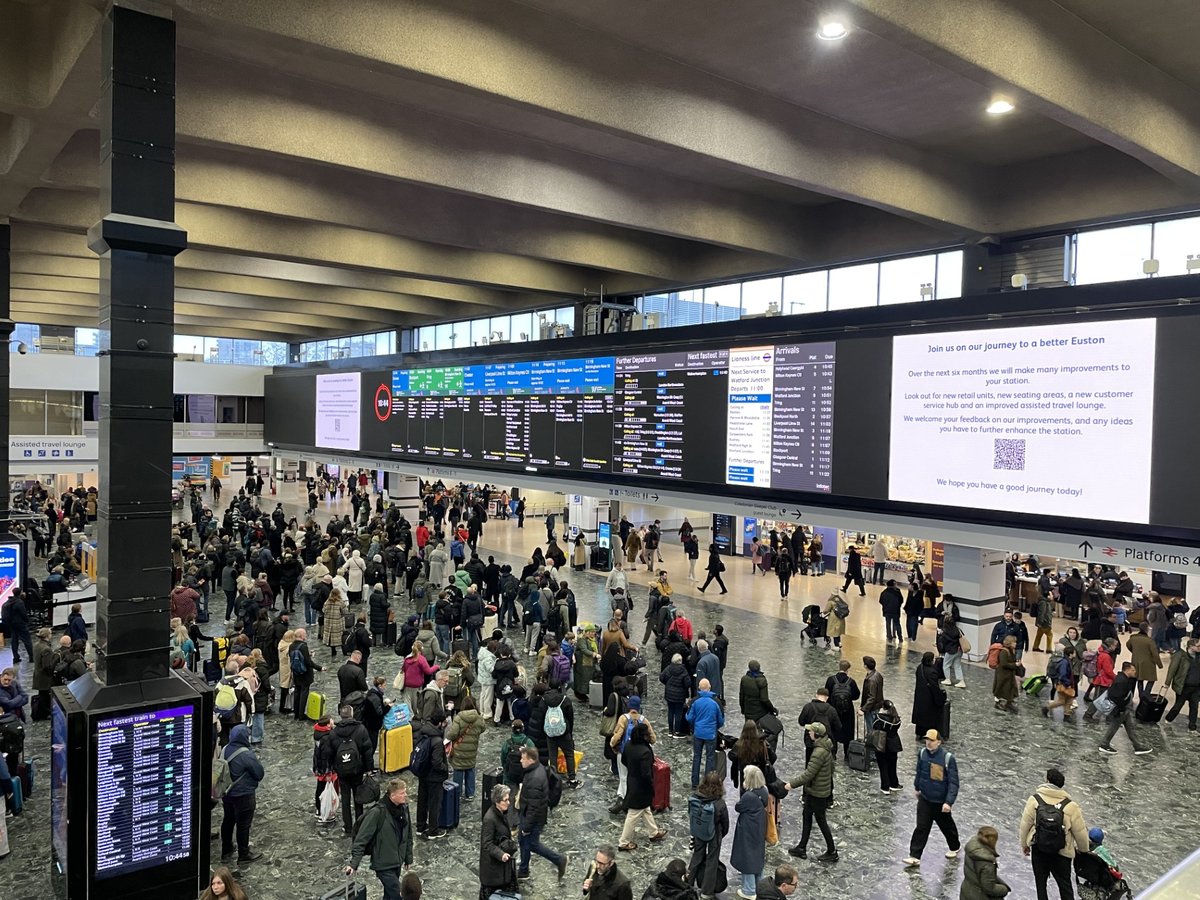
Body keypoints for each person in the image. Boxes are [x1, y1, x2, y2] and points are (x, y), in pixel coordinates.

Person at [346, 778, 414, 900]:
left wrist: (408, 857)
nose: (406, 795)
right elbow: (362, 839)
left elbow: (408, 834)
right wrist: (354, 864)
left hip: (397, 861)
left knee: (389, 895)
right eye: (402, 793)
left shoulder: (404, 808)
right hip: (383, 863)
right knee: (396, 892)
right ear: (392, 795)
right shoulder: (377, 813)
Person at [903, 729, 960, 868]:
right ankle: (914, 856)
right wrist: (917, 787)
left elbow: (953, 782)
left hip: (940, 801)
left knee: (947, 826)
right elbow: (919, 772)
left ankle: (955, 846)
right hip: (925, 798)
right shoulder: (922, 754)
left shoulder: (947, 758)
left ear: (939, 742)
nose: (929, 742)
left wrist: (948, 802)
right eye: (927, 739)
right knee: (921, 827)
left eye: (932, 740)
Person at [782, 721, 837, 862]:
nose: (808, 733)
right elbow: (831, 769)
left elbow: (808, 774)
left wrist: (791, 785)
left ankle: (832, 851)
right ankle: (802, 847)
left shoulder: (818, 752)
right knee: (807, 816)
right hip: (818, 790)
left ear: (816, 734)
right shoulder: (826, 747)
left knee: (821, 820)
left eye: (811, 731)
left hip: (816, 792)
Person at [515, 745, 569, 881]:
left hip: (533, 818)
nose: (521, 761)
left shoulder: (534, 779)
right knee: (523, 841)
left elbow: (534, 807)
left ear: (531, 760)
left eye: (523, 758)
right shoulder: (535, 770)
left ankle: (558, 859)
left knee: (531, 843)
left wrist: (526, 827)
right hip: (530, 814)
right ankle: (523, 869)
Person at [219, 724, 265, 865]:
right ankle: (243, 854)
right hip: (244, 794)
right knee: (243, 825)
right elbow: (259, 773)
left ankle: (226, 849)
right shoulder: (246, 754)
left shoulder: (225, 748)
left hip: (227, 792)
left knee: (228, 820)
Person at [617, 723, 666, 850]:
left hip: (632, 781)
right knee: (634, 813)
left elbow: (624, 761)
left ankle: (653, 832)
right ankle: (623, 842)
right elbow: (646, 774)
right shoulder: (645, 751)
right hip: (641, 787)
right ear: (644, 736)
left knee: (645, 809)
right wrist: (651, 784)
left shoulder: (628, 745)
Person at [1095, 662, 1153, 755]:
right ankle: (1104, 744)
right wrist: (1121, 709)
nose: (1135, 672)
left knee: (1130, 727)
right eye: (1133, 670)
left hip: (1124, 709)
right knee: (1115, 725)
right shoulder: (1122, 681)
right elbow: (1117, 696)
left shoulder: (1122, 679)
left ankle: (1137, 746)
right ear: (1127, 670)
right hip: (1121, 709)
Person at [732, 765, 769, 898]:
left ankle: (749, 889)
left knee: (747, 856)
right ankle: (759, 885)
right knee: (757, 855)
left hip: (748, 829)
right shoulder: (764, 790)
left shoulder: (749, 796)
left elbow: (738, 807)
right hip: (759, 826)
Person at [413, 711, 450, 839]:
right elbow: (437, 762)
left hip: (422, 773)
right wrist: (446, 769)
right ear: (439, 723)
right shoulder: (437, 741)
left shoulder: (422, 733)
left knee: (422, 801)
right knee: (434, 803)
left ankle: (420, 826)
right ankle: (433, 830)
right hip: (434, 777)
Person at [479, 783, 520, 900]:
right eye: (505, 800)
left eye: (508, 799)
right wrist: (500, 854)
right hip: (493, 870)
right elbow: (486, 843)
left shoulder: (501, 813)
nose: (508, 802)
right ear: (497, 801)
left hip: (501, 868)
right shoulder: (490, 819)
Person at [686, 677, 725, 789]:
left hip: (698, 733)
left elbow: (689, 718)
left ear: (699, 688)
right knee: (710, 758)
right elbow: (721, 721)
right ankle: (708, 783)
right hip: (710, 734)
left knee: (697, 757)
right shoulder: (716, 702)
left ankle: (694, 783)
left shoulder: (695, 701)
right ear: (710, 688)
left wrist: (695, 724)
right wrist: (714, 727)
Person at [961, 826, 1010, 900]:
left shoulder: (972, 849)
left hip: (967, 891)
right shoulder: (987, 863)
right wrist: (1004, 889)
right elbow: (989, 889)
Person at [1164, 637, 1200, 731]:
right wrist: (1167, 683)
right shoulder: (1180, 656)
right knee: (1178, 705)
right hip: (1183, 686)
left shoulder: (1198, 656)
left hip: (1196, 687)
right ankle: (1169, 718)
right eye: (1198, 646)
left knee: (1194, 706)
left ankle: (1192, 726)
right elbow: (1172, 669)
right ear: (1191, 647)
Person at [289, 628, 324, 721]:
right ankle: (301, 715)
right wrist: (319, 667)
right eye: (305, 634)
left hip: (296, 672)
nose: (306, 635)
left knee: (297, 691)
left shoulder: (291, 646)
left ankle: (296, 713)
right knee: (304, 693)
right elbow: (308, 662)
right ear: (301, 636)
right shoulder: (303, 646)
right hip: (305, 673)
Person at [912, 651, 947, 738]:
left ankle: (919, 733)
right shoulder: (932, 672)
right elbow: (934, 687)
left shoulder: (920, 667)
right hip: (928, 697)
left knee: (921, 715)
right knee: (929, 716)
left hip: (920, 695)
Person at [872, 699, 904, 793]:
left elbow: (874, 727)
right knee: (892, 765)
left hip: (882, 744)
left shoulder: (879, 718)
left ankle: (885, 786)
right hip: (894, 744)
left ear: (883, 707)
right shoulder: (896, 719)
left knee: (883, 766)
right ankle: (894, 784)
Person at [1127, 623, 1162, 700]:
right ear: (1147, 629)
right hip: (1148, 663)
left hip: (1136, 661)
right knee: (1152, 679)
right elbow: (1155, 654)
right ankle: (1146, 694)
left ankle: (1141, 694)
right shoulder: (1149, 641)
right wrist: (1159, 665)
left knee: (1139, 679)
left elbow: (1128, 645)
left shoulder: (1133, 638)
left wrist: (1135, 652)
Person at [661, 652, 692, 737]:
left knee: (670, 711)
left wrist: (667, 684)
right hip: (680, 695)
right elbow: (688, 683)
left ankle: (670, 731)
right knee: (678, 713)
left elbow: (661, 677)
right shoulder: (683, 670)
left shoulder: (668, 668)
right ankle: (677, 731)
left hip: (669, 694)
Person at [738, 659, 776, 726]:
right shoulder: (762, 680)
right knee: (758, 731)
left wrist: (743, 709)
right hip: (760, 713)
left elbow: (741, 696)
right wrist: (772, 709)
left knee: (749, 730)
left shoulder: (744, 679)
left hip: (748, 711)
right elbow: (764, 699)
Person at [938, 615, 967, 689]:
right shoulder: (957, 629)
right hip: (959, 650)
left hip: (951, 650)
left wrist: (940, 635)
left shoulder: (945, 631)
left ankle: (948, 679)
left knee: (946, 665)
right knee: (957, 665)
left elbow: (943, 642)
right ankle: (961, 681)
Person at [993, 636, 1020, 713]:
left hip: (1009, 674)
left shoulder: (1012, 650)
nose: (1016, 644)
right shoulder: (1004, 652)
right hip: (1003, 675)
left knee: (1010, 688)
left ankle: (1009, 703)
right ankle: (998, 703)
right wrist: (1015, 665)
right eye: (1014, 642)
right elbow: (1004, 663)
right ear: (1010, 643)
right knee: (1001, 688)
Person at [861, 655, 884, 733]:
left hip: (871, 708)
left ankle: (871, 743)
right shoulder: (877, 674)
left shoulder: (871, 680)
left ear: (865, 666)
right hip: (877, 705)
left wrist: (863, 709)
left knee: (871, 728)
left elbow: (872, 697)